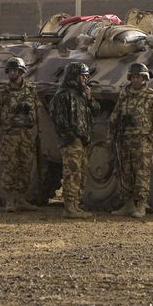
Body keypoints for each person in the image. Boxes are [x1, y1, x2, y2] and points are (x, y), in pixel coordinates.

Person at [109, 63, 153, 218]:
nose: (136, 80)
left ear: (144, 78)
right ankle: (127, 204)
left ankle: (141, 205)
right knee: (124, 172)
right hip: (124, 139)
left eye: (139, 77)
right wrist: (111, 135)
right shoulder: (124, 94)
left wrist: (150, 136)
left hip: (142, 140)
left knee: (142, 172)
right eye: (133, 77)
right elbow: (115, 115)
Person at [0, 57, 42, 212]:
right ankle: (10, 201)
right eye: (10, 70)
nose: (12, 73)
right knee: (9, 166)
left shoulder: (31, 89)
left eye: (15, 70)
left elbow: (37, 110)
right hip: (10, 133)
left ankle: (21, 199)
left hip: (27, 133)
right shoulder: (2, 91)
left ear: (21, 72)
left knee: (25, 166)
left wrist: (39, 130)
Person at [49, 62, 101, 219]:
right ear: (73, 77)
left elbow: (96, 111)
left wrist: (89, 97)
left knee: (81, 172)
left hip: (83, 140)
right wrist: (70, 136)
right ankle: (69, 207)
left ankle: (76, 204)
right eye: (82, 76)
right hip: (72, 140)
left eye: (86, 76)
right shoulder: (63, 95)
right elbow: (58, 119)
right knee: (72, 172)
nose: (85, 79)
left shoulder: (82, 94)